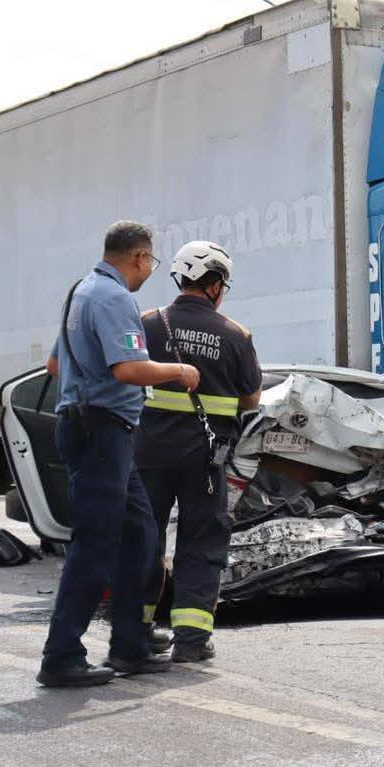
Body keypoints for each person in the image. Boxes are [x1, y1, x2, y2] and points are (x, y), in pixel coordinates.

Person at [36, 221, 200, 689]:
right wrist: (180, 370)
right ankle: (61, 655)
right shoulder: (112, 298)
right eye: (150, 262)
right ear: (140, 258)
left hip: (103, 430)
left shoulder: (80, 293)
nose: (149, 270)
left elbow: (54, 364)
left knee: (141, 538)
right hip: (101, 431)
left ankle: (130, 644)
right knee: (95, 545)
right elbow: (128, 368)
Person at [138, 241, 262, 663]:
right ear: (214, 285)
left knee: (144, 538)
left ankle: (136, 631)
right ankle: (191, 640)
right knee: (201, 542)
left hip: (148, 454)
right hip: (205, 460)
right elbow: (250, 400)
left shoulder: (148, 323)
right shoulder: (235, 334)